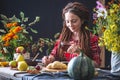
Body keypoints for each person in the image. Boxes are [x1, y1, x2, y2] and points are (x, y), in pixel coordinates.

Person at [42, 2, 101, 67]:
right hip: (63, 74)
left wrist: (80, 53)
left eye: (74, 21)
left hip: (82, 75)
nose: (70, 25)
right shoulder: (64, 36)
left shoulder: (92, 38)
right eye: (67, 21)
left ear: (82, 20)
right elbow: (54, 54)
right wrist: (49, 59)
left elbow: (96, 64)